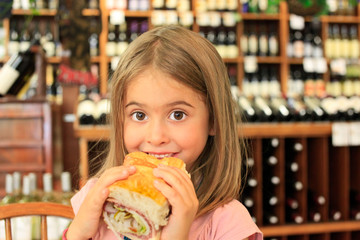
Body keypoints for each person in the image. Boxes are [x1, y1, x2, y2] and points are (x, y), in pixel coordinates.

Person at [64, 25, 263, 240]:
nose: (156, 137)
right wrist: (76, 234)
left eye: (177, 115)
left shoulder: (228, 224)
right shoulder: (95, 197)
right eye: (139, 115)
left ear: (213, 120)